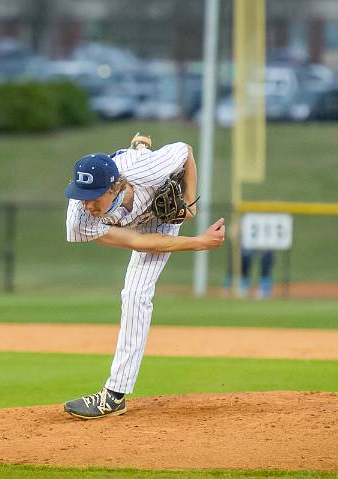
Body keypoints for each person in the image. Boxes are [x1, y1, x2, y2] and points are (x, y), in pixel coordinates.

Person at [62, 133, 225, 420]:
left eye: (93, 196)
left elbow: (185, 150)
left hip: (161, 215)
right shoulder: (79, 219)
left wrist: (189, 203)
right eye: (80, 195)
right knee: (132, 293)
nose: (86, 204)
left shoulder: (147, 169)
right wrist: (199, 242)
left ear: (115, 187)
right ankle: (114, 399)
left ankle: (113, 395)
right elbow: (138, 242)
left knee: (136, 294)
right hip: (139, 226)